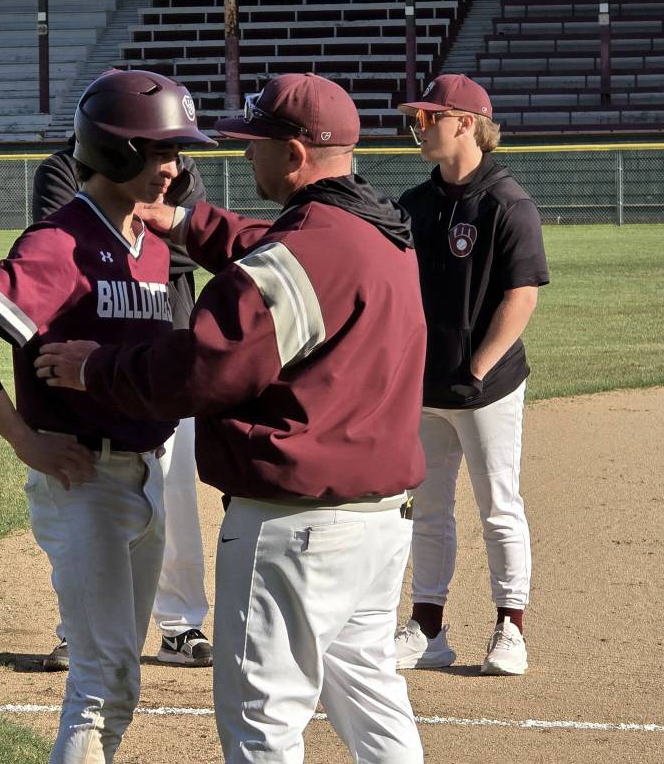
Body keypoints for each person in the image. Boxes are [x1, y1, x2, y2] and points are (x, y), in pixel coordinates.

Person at [37, 72, 425, 764]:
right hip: (378, 522)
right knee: (373, 705)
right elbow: (274, 251)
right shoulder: (377, 230)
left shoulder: (309, 251)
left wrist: (95, 367)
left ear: (297, 155)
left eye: (256, 144)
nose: (246, 156)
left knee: (261, 726)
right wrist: (188, 224)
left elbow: (205, 369)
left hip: (296, 529)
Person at [0, 70, 215, 764]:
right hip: (84, 479)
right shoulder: (60, 241)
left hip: (145, 473)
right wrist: (25, 440)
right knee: (103, 679)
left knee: (118, 682)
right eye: (162, 154)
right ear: (118, 153)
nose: (176, 170)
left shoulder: (152, 245)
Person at [31, 136, 213, 671]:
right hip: (85, 354)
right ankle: (75, 628)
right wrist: (150, 227)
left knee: (174, 496)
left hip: (166, 343)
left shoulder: (179, 163)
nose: (165, 166)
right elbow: (73, 240)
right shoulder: (62, 166)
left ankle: (180, 626)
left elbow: (185, 246)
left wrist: (144, 231)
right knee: (85, 503)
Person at [393, 74, 549, 676]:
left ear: (465, 122)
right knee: (427, 509)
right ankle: (428, 626)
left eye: (431, 116)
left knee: (497, 506)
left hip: (487, 388)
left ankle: (510, 626)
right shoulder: (414, 203)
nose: (420, 125)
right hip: (425, 387)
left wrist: (476, 368)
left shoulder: (507, 202)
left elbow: (522, 296)